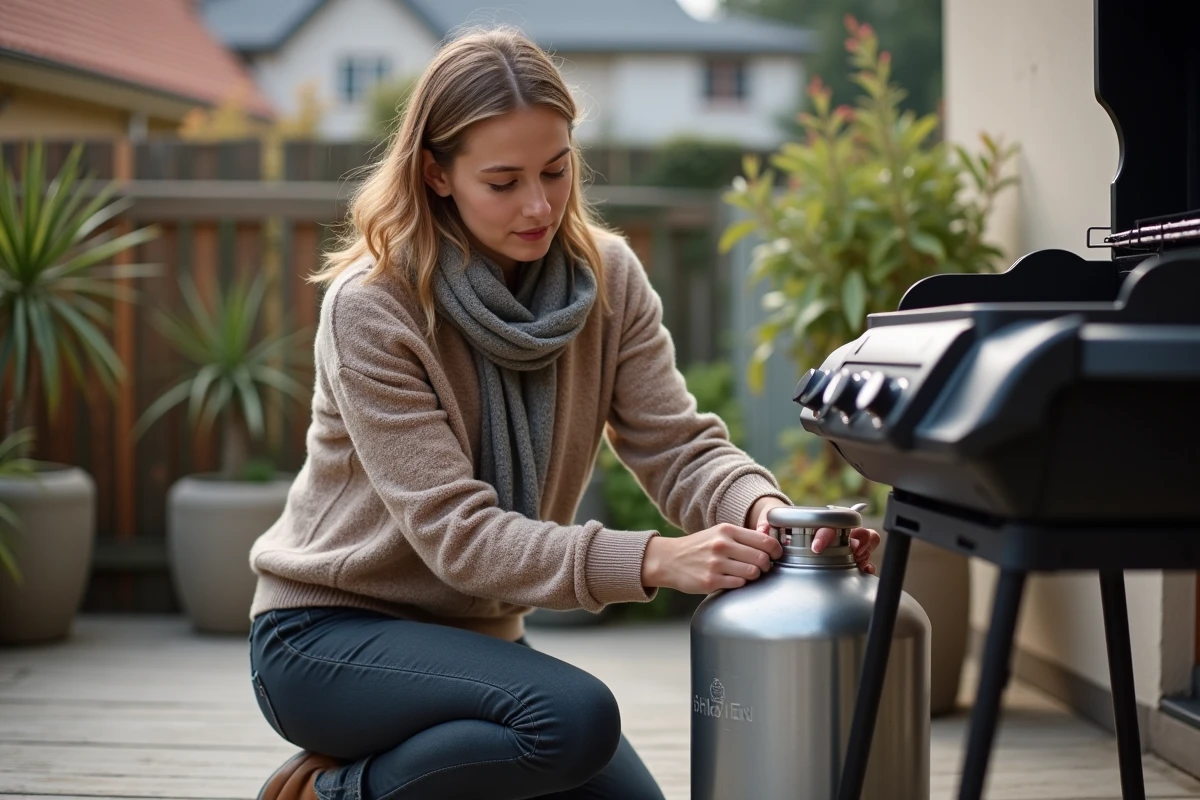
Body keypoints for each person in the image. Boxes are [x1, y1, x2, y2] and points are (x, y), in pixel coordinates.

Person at [247, 26, 881, 800]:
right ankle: (331, 796)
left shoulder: (606, 277)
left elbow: (676, 445)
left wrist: (771, 517)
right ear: (437, 174)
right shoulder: (373, 308)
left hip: (475, 647)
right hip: (327, 642)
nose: (540, 204)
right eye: (504, 181)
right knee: (572, 720)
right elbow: (461, 537)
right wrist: (653, 558)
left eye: (555, 169)